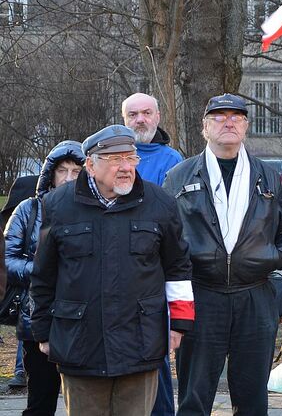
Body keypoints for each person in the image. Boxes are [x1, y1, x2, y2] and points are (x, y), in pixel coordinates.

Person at [29, 126, 194, 416]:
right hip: (80, 345)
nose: (126, 167)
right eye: (115, 159)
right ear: (91, 165)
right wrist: (42, 330)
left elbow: (178, 267)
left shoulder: (160, 203)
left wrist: (179, 324)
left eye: (131, 158)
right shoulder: (57, 204)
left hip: (140, 345)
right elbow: (44, 275)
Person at [163, 94, 282, 415]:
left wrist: (277, 258)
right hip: (201, 296)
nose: (228, 122)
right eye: (219, 116)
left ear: (246, 126)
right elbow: (165, 238)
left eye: (236, 117)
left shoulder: (267, 175)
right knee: (194, 397)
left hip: (255, 296)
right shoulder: (179, 176)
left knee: (252, 398)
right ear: (205, 127)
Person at [4, 141, 84, 414]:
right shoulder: (29, 210)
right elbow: (7, 260)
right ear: (50, 173)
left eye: (77, 171)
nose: (69, 178)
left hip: (86, 321)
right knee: (40, 399)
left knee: (86, 400)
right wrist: (44, 272)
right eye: (63, 171)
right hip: (38, 318)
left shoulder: (96, 210)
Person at [122, 92, 183, 416]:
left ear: (158, 117)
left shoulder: (171, 160)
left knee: (155, 353)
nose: (140, 120)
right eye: (133, 114)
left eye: (146, 113)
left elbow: (173, 222)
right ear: (124, 119)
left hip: (154, 274)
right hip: (117, 273)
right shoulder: (114, 155)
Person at [1, 173, 38, 390]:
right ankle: (20, 370)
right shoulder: (26, 207)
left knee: (27, 324)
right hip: (26, 279)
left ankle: (20, 370)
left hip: (27, 277)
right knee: (26, 323)